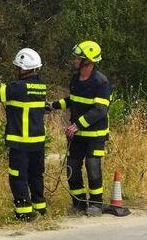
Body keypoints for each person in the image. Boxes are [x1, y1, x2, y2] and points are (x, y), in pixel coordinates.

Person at [47, 40, 118, 217]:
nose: (75, 60)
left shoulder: (101, 82)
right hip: (76, 134)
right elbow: (73, 100)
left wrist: (78, 125)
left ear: (88, 60)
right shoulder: (76, 78)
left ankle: (96, 203)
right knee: (72, 166)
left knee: (93, 166)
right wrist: (52, 105)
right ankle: (78, 203)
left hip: (95, 134)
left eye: (78, 57)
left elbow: (100, 110)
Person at [0, 48, 48, 221]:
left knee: (18, 176)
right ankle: (40, 208)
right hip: (38, 142)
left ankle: (24, 212)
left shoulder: (19, 87)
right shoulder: (41, 86)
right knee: (36, 175)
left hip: (21, 142)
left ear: (22, 67)